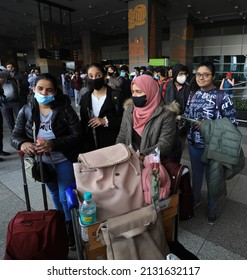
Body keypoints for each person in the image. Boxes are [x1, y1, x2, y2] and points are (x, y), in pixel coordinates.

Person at [10, 73, 83, 249]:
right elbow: (15, 135)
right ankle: (61, 223)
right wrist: (24, 143)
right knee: (54, 194)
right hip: (42, 161)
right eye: (40, 89)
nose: (44, 93)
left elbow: (77, 134)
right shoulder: (26, 110)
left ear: (55, 92)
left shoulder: (64, 109)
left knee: (65, 195)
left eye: (49, 89)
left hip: (63, 157)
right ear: (33, 89)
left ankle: (71, 226)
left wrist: (53, 144)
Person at [183, 61, 237, 225]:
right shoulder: (193, 95)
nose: (201, 77)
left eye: (205, 74)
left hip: (214, 147)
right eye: (198, 74)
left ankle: (212, 208)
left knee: (213, 179)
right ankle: (196, 200)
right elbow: (186, 115)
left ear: (213, 76)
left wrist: (210, 126)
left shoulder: (223, 97)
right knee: (197, 176)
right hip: (194, 146)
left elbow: (233, 124)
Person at [116, 74, 177, 162]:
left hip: (152, 164)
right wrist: (119, 152)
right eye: (133, 92)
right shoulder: (129, 111)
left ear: (150, 91)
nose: (135, 95)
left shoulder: (166, 114)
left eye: (139, 92)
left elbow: (165, 144)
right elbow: (122, 135)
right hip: (129, 162)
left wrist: (142, 155)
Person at [80, 63, 123, 152]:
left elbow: (125, 121)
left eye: (98, 75)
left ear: (104, 76)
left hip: (113, 147)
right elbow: (83, 123)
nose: (94, 79)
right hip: (92, 147)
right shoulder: (85, 98)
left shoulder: (116, 96)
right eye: (90, 76)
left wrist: (105, 121)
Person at [163, 63, 190, 163]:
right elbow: (160, 103)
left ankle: (175, 169)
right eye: (180, 74)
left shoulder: (188, 88)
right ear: (174, 74)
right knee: (166, 149)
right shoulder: (165, 86)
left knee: (178, 149)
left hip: (182, 125)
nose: (182, 76)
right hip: (167, 124)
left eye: (184, 74)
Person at [0, 66, 22, 132]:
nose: (2, 79)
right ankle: (13, 133)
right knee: (10, 121)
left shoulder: (13, 80)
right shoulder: (1, 84)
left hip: (15, 102)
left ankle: (21, 132)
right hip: (5, 104)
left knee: (20, 119)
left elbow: (19, 87)